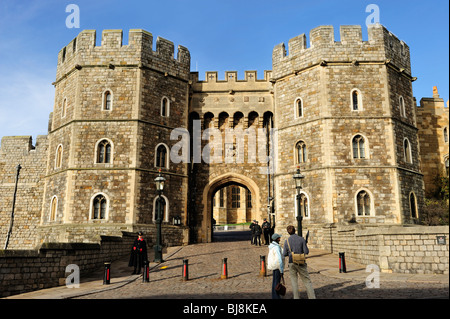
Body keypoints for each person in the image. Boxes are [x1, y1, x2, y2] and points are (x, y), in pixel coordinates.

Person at [283, 225, 316, 299]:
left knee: (294, 282)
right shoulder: (301, 239)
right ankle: (312, 297)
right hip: (301, 262)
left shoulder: (287, 241)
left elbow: (284, 254)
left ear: (288, 232)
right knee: (307, 281)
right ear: (295, 230)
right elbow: (306, 251)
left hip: (291, 262)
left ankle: (296, 297)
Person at [268, 233, 284, 299]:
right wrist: (281, 270)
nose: (280, 238)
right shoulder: (276, 247)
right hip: (277, 266)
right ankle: (276, 297)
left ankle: (274, 296)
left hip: (274, 265)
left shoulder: (272, 246)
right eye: (279, 238)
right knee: (277, 283)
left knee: (274, 282)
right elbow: (279, 259)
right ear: (277, 239)